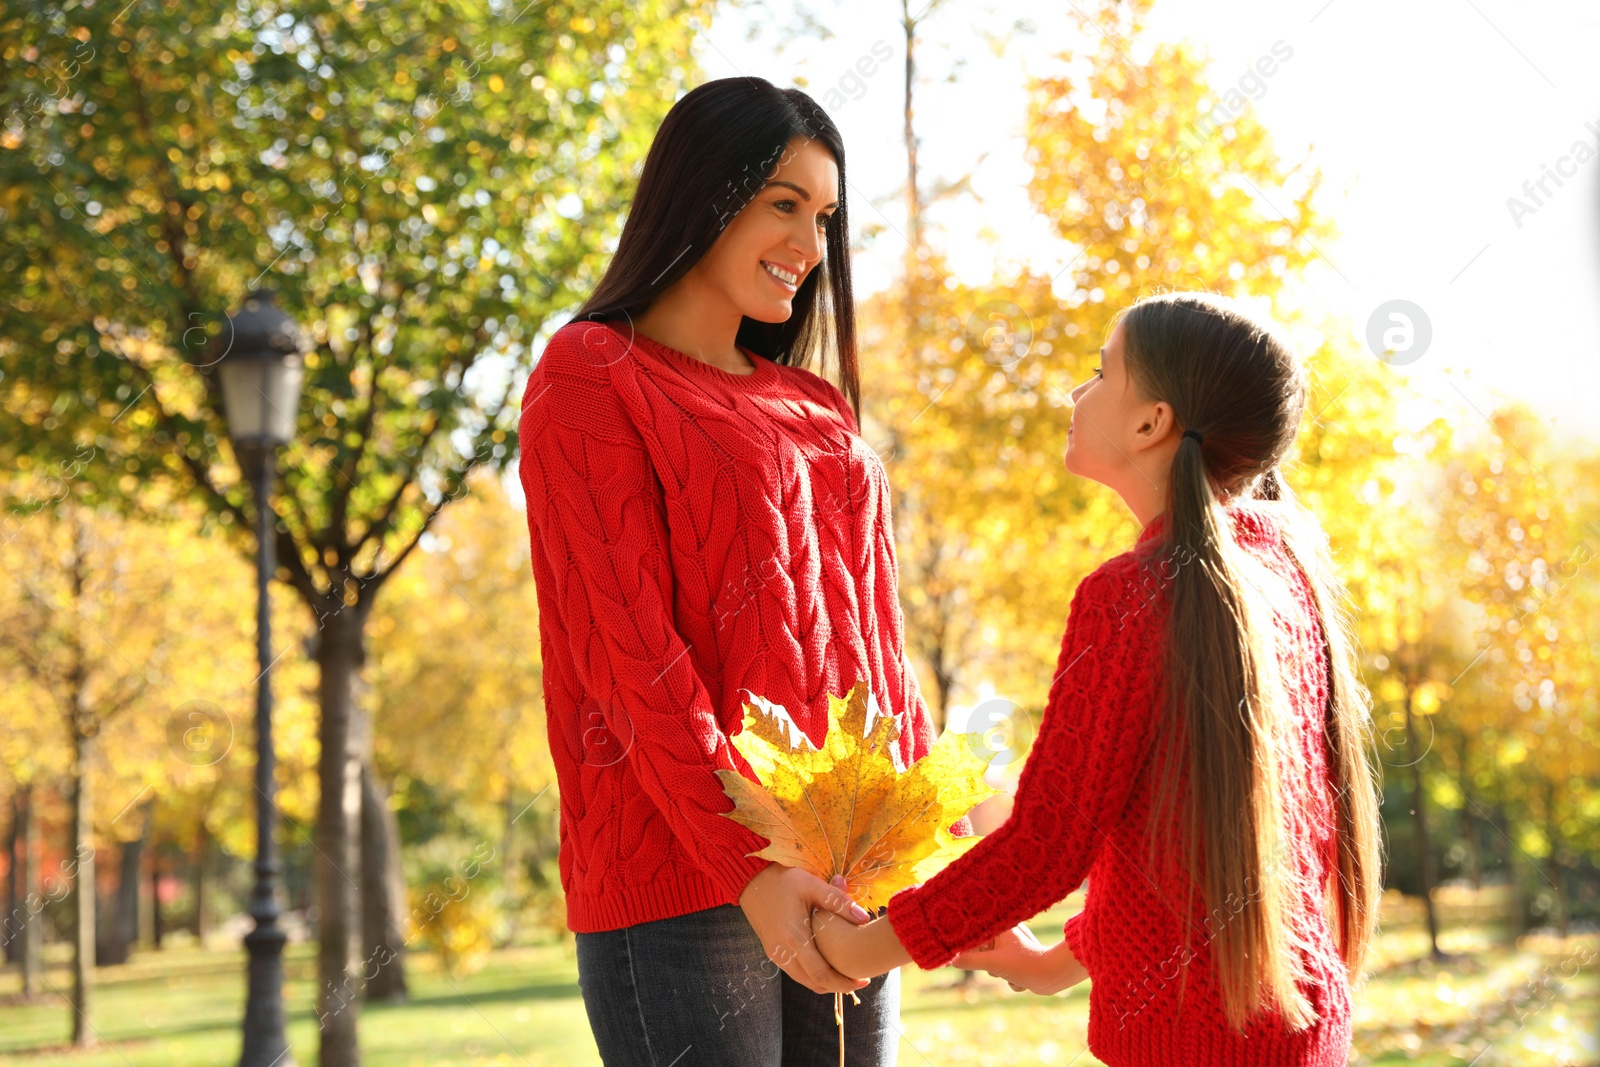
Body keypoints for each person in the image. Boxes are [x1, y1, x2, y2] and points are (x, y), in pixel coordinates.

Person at [518, 76, 966, 1066]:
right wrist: (749, 868)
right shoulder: (592, 374)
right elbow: (630, 656)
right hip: (686, 877)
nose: (810, 246)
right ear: (704, 195)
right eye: (783, 204)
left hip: (848, 861)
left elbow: (878, 656)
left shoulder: (816, 408)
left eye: (824, 216)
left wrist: (935, 852)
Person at [814, 291, 1385, 1066]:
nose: (1074, 393)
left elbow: (1047, 844)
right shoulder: (1279, 578)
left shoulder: (1132, 596)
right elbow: (1188, 843)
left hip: (1188, 1043)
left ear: (1152, 422)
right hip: (1296, 1031)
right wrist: (1054, 963)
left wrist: (864, 950)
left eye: (1099, 372)